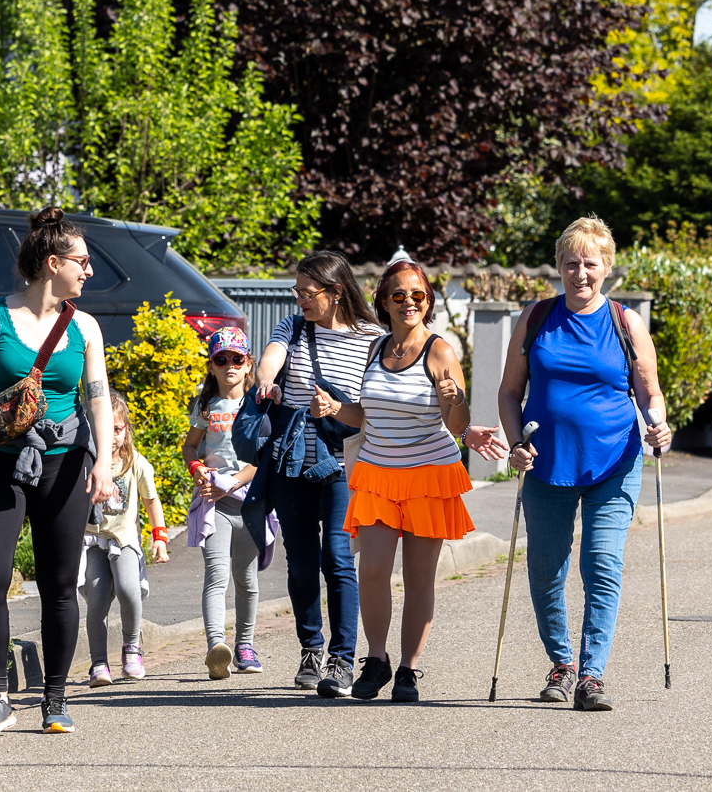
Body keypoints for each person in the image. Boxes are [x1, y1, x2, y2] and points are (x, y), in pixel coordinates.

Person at [0, 207, 116, 738]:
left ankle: (55, 698)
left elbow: (96, 399)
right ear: (52, 264)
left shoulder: (85, 326)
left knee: (58, 582)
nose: (89, 271)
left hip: (63, 459)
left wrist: (102, 460)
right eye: (82, 261)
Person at [496, 216, 671, 712]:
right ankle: (561, 664)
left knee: (602, 562)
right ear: (558, 266)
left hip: (613, 463)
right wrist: (514, 443)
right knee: (545, 569)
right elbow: (510, 393)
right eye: (570, 263)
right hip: (545, 464)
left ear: (606, 268)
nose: (579, 273)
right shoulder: (534, 319)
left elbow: (649, 392)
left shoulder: (625, 323)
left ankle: (591, 675)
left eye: (589, 264)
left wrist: (658, 423)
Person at [313, 261, 506, 702]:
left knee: (419, 577)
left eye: (418, 296)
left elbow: (458, 423)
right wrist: (334, 408)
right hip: (378, 474)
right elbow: (366, 413)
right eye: (398, 295)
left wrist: (451, 400)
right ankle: (376, 661)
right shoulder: (376, 348)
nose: (409, 303)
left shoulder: (439, 351)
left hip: (427, 477)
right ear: (384, 300)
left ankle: (407, 670)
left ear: (428, 301)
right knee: (373, 569)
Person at [253, 252, 384, 698]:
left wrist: (339, 409)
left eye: (309, 293)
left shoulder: (372, 338)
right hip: (293, 461)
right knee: (303, 562)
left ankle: (342, 659)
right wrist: (266, 379)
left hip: (346, 462)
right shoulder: (292, 327)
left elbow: (377, 406)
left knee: (339, 558)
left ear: (336, 291)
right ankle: (311, 649)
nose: (301, 300)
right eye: (298, 292)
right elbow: (269, 359)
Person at [183, 327, 270, 678]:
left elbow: (262, 458)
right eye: (222, 359)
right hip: (214, 504)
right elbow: (191, 447)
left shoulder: (258, 406)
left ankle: (245, 645)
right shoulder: (205, 405)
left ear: (249, 365)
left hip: (248, 503)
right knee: (216, 576)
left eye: (237, 359)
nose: (230, 365)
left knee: (246, 579)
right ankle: (216, 645)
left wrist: (231, 483)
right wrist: (198, 469)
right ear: (212, 366)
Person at [82, 392, 168, 687]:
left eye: (116, 429)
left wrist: (160, 537)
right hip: (91, 541)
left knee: (129, 590)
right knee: (96, 599)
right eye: (103, 429)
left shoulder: (136, 463)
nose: (111, 436)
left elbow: (151, 500)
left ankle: (132, 648)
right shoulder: (84, 461)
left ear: (125, 429)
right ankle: (98, 663)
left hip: (123, 538)